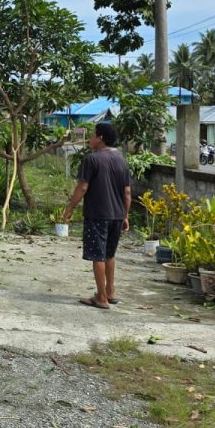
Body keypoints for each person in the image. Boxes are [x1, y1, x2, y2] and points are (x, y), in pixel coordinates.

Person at [61, 123, 131, 310]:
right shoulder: (121, 160)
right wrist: (125, 215)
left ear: (100, 138)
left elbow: (83, 187)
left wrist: (70, 208)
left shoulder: (92, 159)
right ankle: (110, 291)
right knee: (109, 254)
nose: (90, 139)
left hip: (98, 214)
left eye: (92, 135)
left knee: (98, 255)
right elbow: (127, 192)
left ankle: (101, 297)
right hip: (117, 215)